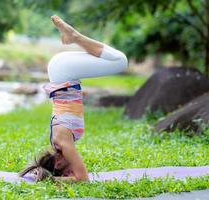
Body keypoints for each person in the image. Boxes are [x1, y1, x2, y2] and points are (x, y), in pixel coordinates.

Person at [19, 15, 128, 182]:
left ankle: (74, 36)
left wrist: (51, 180)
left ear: (57, 164)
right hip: (63, 70)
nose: (70, 172)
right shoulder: (61, 141)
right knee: (117, 60)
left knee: (120, 61)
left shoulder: (63, 143)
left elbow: (82, 179)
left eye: (65, 173)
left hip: (63, 72)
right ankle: (73, 37)